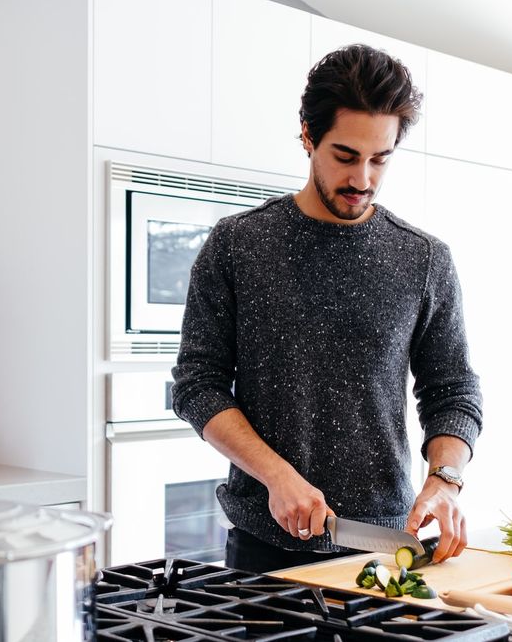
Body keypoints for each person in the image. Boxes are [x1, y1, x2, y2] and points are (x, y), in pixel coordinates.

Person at [170, 44, 483, 574]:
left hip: (384, 545)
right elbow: (197, 386)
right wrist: (276, 476)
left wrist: (445, 478)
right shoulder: (238, 244)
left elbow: (453, 389)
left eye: (380, 158)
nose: (362, 178)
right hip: (263, 549)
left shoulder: (424, 258)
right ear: (308, 136)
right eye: (345, 155)